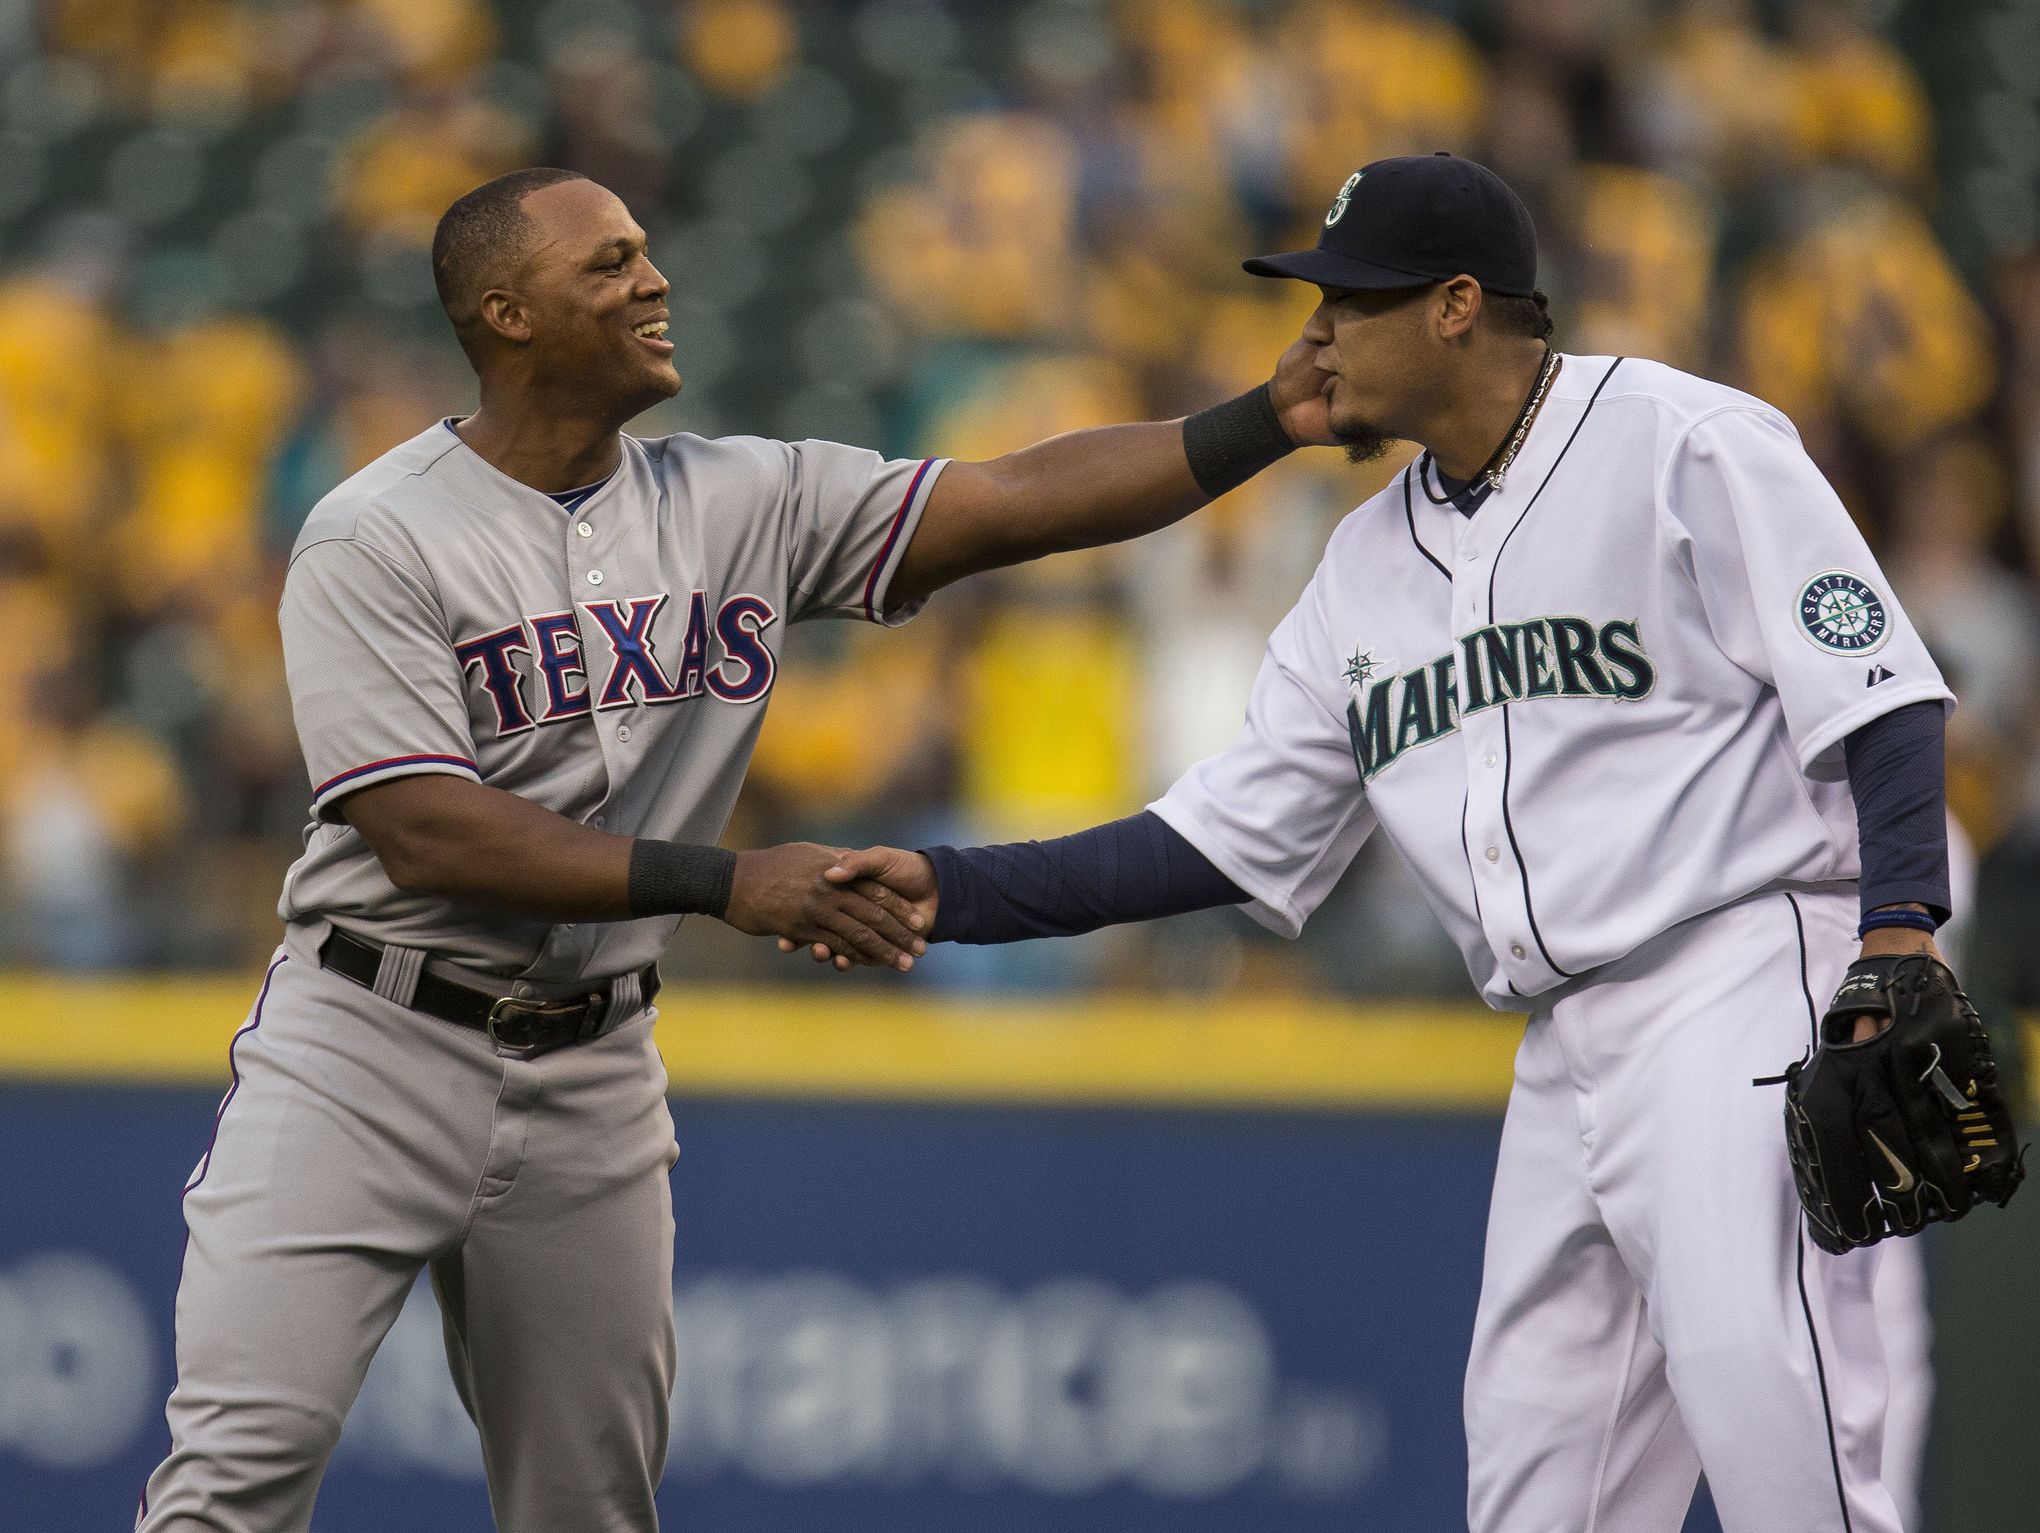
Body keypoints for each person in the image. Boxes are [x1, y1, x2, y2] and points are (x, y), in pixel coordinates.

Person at [135, 166, 1328, 1532]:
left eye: (647, 252)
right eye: (611, 264)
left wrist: (1267, 421)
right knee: (235, 1485)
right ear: (506, 313)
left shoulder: (738, 500)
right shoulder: (375, 532)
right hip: (369, 1039)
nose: (653, 281)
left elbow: (1009, 498)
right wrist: (728, 883)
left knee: (589, 1510)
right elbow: (425, 830)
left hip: (589, 1063)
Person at [816, 153, 1958, 1532]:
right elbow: (1212, 841)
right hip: (1561, 1045)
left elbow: (1879, 685)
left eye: (1350, 302)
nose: (1317, 335)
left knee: (1785, 1441)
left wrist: (1899, 931)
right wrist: (953, 890)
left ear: (1458, 306)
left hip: (1738, 971)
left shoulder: (1682, 438)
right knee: (1540, 1483)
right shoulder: (1364, 563)